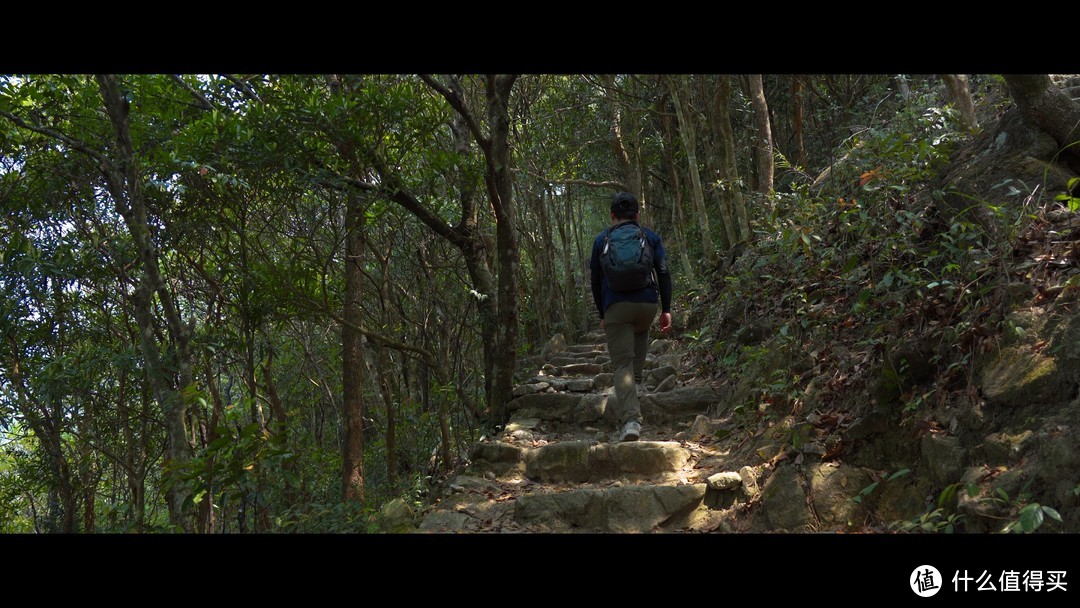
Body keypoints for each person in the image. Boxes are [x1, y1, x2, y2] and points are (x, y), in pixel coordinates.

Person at [590, 191, 672, 442]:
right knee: (639, 330)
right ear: (637, 215)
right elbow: (663, 271)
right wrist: (666, 308)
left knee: (621, 364)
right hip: (647, 304)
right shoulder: (650, 236)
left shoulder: (602, 239)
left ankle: (631, 421)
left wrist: (603, 313)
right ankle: (636, 383)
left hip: (616, 305)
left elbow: (595, 280)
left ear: (612, 215)